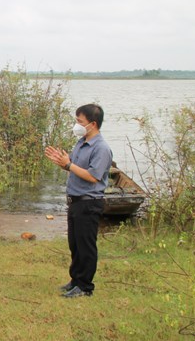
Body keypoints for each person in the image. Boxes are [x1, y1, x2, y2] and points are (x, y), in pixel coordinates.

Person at [44, 104, 113, 298]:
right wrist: (64, 162)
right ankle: (75, 280)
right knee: (74, 244)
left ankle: (85, 287)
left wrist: (68, 164)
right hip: (75, 201)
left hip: (89, 202)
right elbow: (73, 167)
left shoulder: (101, 148)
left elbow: (93, 177)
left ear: (92, 124)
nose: (77, 125)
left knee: (86, 246)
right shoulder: (82, 142)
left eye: (80, 122)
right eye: (76, 120)